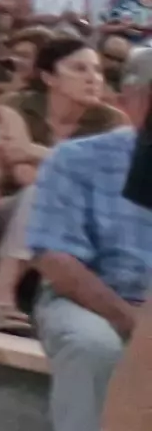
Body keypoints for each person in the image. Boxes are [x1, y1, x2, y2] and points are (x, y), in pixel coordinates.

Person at [20, 75, 152, 431]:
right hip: (86, 301)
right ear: (132, 100)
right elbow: (55, 259)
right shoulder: (77, 158)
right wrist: (133, 321)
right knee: (92, 345)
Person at [0, 38, 125, 334]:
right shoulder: (16, 105)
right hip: (7, 210)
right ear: (49, 77)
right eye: (79, 69)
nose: (93, 78)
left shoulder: (112, 122)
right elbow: (21, 168)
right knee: (40, 193)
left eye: (97, 71)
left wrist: (37, 153)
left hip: (74, 223)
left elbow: (104, 183)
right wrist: (75, 174)